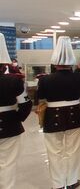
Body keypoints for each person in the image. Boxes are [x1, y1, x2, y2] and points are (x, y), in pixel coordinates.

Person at [37, 36, 80, 189]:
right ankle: (72, 180)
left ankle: (58, 184)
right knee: (73, 150)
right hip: (74, 113)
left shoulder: (45, 79)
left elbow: (40, 98)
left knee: (54, 151)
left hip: (52, 115)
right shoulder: (79, 77)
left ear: (55, 63)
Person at [0, 33, 32, 188]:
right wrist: (17, 118)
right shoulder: (13, 80)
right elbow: (25, 104)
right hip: (8, 124)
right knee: (8, 162)